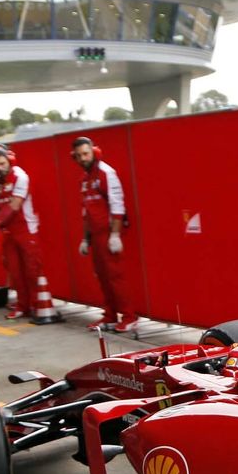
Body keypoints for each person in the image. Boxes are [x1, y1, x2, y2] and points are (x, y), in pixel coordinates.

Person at [71, 136, 135, 332]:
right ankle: (110, 315)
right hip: (95, 236)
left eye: (86, 153)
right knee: (101, 276)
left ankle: (129, 316)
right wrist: (85, 238)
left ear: (94, 152)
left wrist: (115, 235)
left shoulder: (106, 173)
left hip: (108, 234)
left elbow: (118, 205)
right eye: (79, 155)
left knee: (115, 277)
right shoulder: (84, 179)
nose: (83, 158)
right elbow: (86, 211)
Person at [0, 144, 44, 320]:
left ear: (10, 160)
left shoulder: (20, 176)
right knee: (15, 270)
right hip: (8, 232)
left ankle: (37, 305)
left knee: (32, 270)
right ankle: (22, 306)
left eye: (2, 164)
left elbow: (15, 204)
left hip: (26, 229)